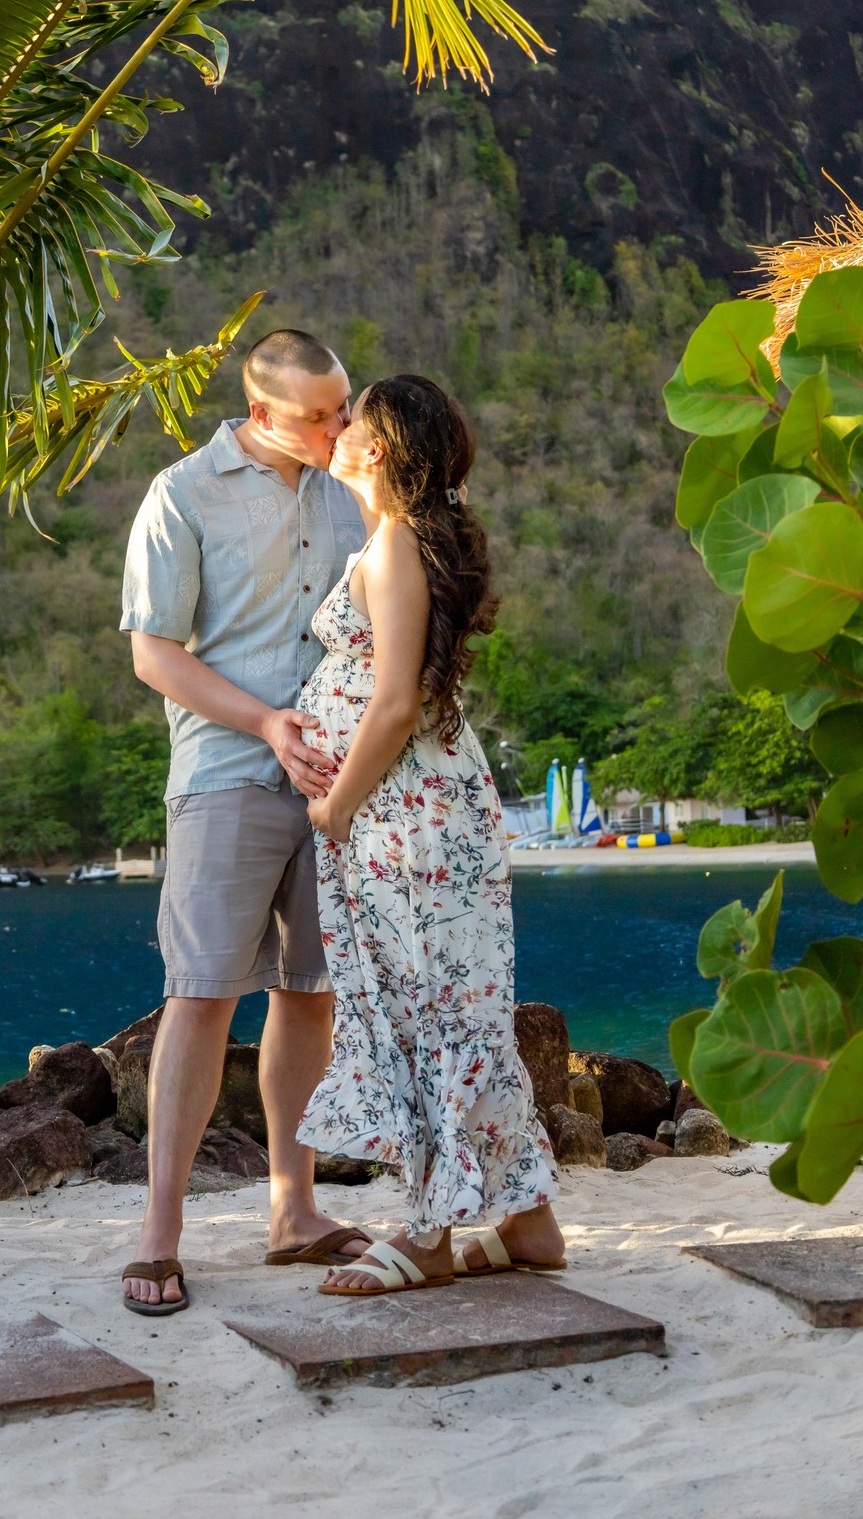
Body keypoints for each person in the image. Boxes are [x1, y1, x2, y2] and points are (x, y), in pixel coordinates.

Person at [117, 328, 372, 1315]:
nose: (339, 427)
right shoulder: (182, 492)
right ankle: (160, 1233)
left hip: (340, 783)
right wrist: (267, 720)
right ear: (261, 412)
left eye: (343, 405)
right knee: (202, 991)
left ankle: (293, 1211)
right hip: (226, 769)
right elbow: (154, 653)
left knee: (310, 990)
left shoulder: (357, 485)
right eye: (319, 415)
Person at [297, 374, 564, 1295]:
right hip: (409, 816)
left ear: (379, 447)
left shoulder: (398, 544)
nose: (335, 432)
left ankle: (425, 1233)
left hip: (406, 821)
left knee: (427, 1014)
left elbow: (397, 700)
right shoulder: (392, 540)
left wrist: (334, 807)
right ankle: (525, 1224)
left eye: (352, 421)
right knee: (449, 1014)